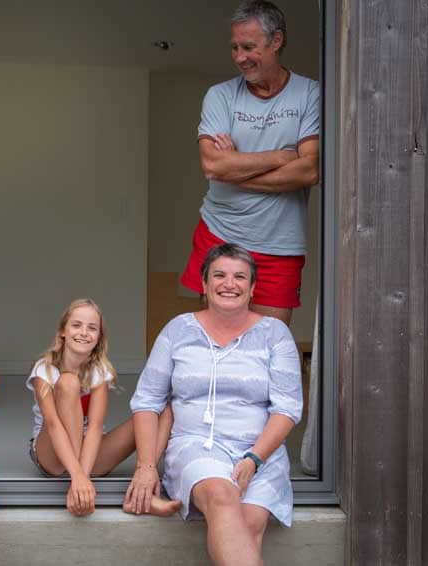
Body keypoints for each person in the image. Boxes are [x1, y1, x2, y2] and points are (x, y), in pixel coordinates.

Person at [127, 243, 303, 566]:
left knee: (248, 525)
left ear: (252, 289)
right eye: (219, 275)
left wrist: (254, 458)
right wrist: (146, 466)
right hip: (197, 445)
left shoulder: (275, 334)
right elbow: (147, 401)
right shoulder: (178, 330)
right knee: (223, 499)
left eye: (240, 277)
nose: (229, 283)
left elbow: (287, 408)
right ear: (204, 285)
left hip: (259, 453)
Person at [180, 0, 320, 326]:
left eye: (248, 47)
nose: (239, 57)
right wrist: (282, 157)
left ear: (276, 41)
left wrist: (235, 169)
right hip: (220, 232)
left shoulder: (309, 94)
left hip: (280, 244)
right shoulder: (220, 96)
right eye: (234, 47)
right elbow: (213, 165)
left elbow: (309, 169)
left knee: (268, 347)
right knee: (216, 341)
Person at [26, 298, 181, 517]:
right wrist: (78, 477)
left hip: (89, 454)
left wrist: (84, 474)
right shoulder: (45, 368)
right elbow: (53, 426)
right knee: (68, 382)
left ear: (99, 337)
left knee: (163, 412)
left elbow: (96, 427)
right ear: (63, 330)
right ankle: (77, 477)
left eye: (92, 328)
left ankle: (145, 492)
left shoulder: (99, 370)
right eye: (76, 325)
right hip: (52, 455)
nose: (83, 332)